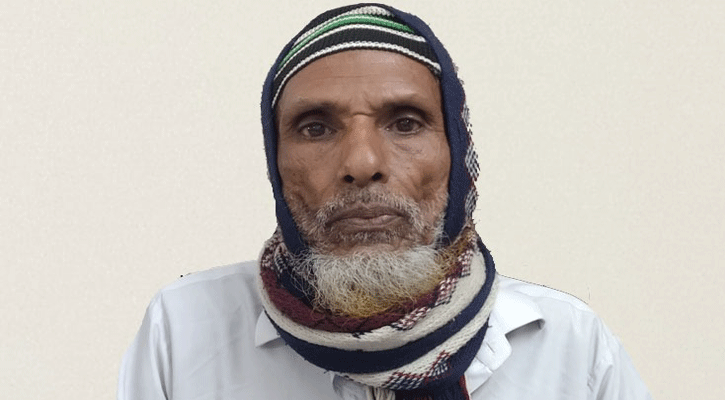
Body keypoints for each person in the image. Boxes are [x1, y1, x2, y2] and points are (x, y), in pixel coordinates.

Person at [118, 4, 652, 399]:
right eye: (316, 127)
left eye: (405, 123)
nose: (362, 162)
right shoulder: (185, 334)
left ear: (456, 153)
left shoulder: (569, 348)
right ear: (276, 163)